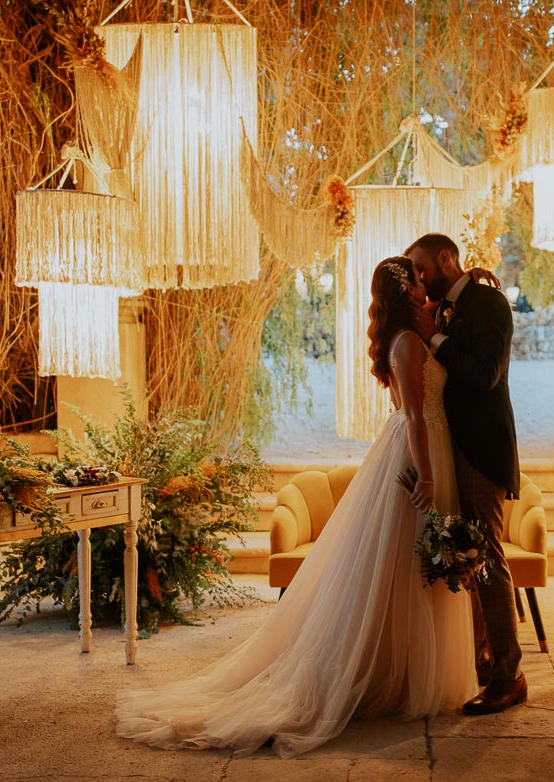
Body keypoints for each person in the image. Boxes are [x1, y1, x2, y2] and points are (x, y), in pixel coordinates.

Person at [115, 256, 475, 758]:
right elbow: (414, 415)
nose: (426, 284)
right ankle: (382, 673)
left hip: (419, 445)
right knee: (406, 564)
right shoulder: (409, 344)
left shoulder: (407, 333)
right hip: (420, 452)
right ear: (406, 290)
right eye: (418, 279)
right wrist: (430, 478)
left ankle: (401, 666)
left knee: (408, 569)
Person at [406, 232, 526, 716]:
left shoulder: (490, 301)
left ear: (445, 259)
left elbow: (484, 374)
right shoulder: (443, 307)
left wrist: (435, 336)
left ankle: (508, 675)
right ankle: (477, 660)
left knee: (489, 557)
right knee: (465, 559)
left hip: (483, 450)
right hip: (451, 450)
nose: (418, 279)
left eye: (422, 270)